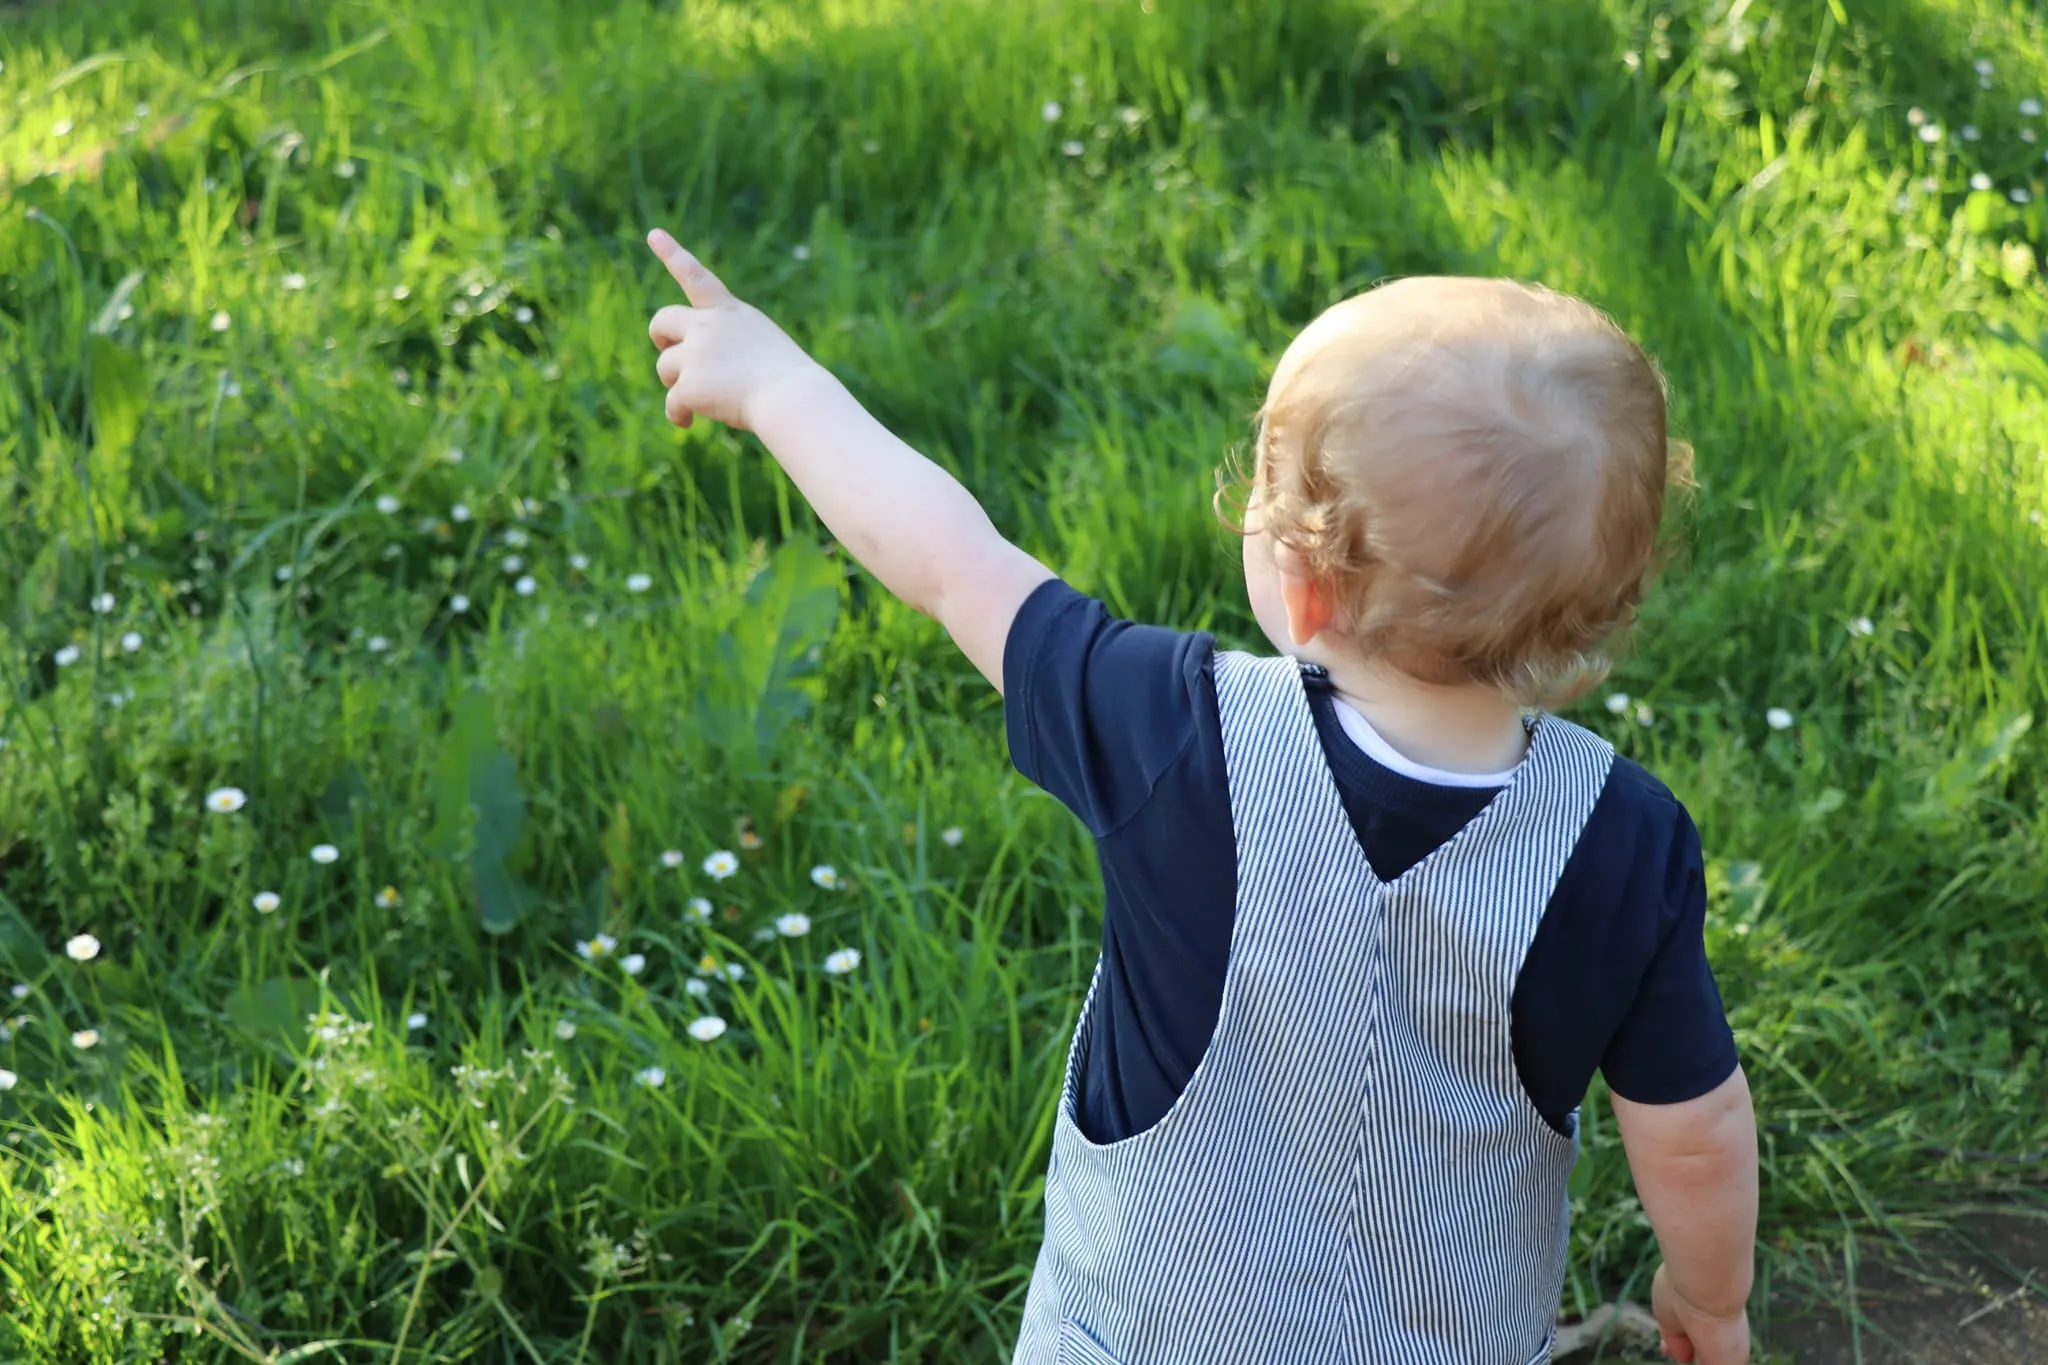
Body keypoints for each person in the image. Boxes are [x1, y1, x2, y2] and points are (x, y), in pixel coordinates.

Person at [643, 228, 1757, 1365]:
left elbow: (947, 560)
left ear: (1302, 581)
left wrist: (778, 384)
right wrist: (1707, 1299)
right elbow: (1691, 1133)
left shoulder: (1171, 735)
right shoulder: (1618, 842)